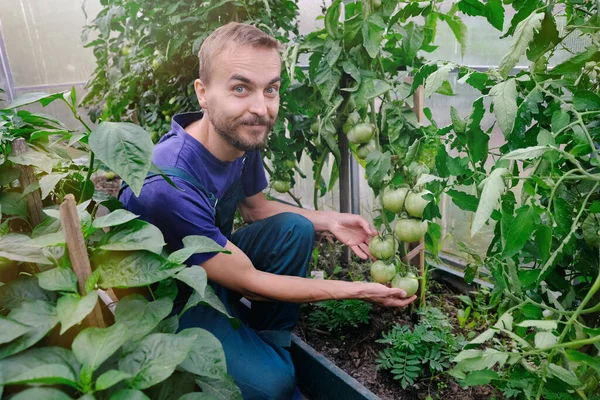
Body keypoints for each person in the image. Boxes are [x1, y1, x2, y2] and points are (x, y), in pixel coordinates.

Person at [120, 22, 416, 400]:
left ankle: (262, 342)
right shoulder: (167, 184)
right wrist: (356, 289)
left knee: (294, 228)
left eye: (271, 89)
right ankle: (257, 359)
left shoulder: (239, 135)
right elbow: (249, 282)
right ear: (203, 93)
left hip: (211, 267)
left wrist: (330, 220)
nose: (260, 108)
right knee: (276, 385)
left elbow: (257, 208)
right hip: (169, 299)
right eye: (240, 88)